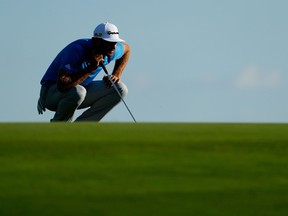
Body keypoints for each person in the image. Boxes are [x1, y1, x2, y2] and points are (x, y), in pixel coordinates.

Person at [37, 22, 130, 122]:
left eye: (115, 42)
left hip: (79, 91)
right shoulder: (77, 49)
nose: (113, 47)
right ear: (96, 41)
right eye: (109, 42)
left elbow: (127, 49)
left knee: (120, 89)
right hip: (51, 93)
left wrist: (116, 74)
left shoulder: (110, 51)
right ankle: (59, 128)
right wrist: (91, 68)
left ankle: (81, 128)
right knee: (79, 91)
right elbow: (62, 85)